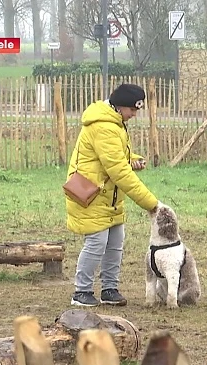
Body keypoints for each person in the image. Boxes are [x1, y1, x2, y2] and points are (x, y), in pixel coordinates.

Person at [65, 83, 159, 307]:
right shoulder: (104, 127)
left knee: (115, 242)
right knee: (96, 243)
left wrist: (131, 159)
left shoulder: (116, 123)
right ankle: (82, 291)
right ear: (119, 107)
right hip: (92, 195)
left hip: (110, 197)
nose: (135, 114)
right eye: (132, 110)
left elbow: (113, 157)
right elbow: (118, 171)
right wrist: (151, 204)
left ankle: (109, 289)